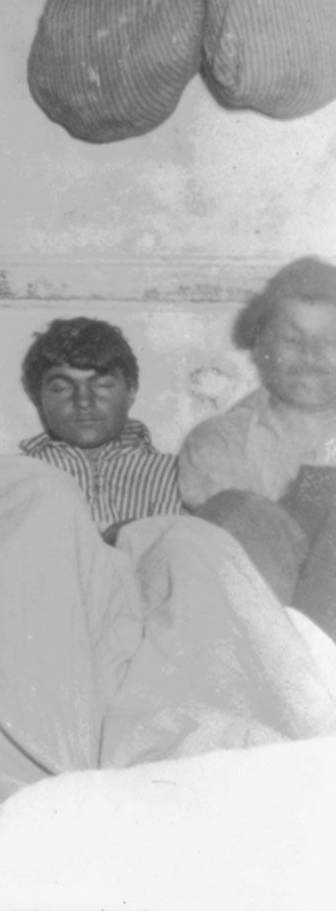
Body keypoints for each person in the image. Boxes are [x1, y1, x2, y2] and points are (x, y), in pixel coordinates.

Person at [177, 256, 336, 631]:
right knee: (238, 510)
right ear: (261, 345)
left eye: (330, 341)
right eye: (291, 339)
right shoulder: (219, 441)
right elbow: (249, 548)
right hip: (264, 628)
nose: (309, 356)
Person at [18, 316, 183, 538]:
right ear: (37, 397)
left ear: (131, 391)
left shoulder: (179, 475)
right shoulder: (18, 478)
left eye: (103, 384)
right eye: (61, 388)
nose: (83, 401)